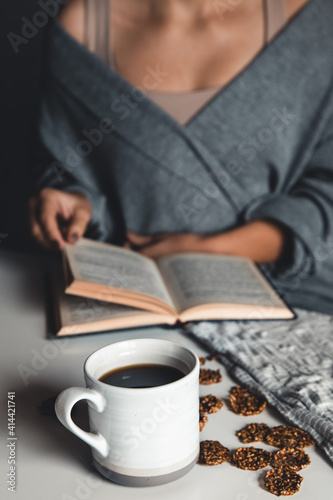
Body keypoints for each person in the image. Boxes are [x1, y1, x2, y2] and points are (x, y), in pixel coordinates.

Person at [29, 0, 333, 313]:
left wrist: (210, 251)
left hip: (298, 307)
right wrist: (74, 203)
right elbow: (64, 167)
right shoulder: (83, 24)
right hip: (131, 305)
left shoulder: (317, 23)